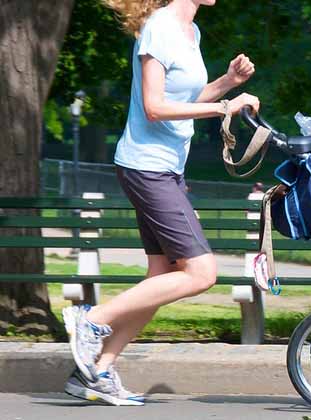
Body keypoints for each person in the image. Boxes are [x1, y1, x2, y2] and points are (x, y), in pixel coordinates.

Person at [61, 0, 259, 406]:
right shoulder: (160, 27)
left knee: (160, 277)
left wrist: (226, 83)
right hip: (146, 167)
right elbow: (154, 107)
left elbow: (183, 99)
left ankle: (96, 372)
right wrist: (224, 108)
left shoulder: (191, 31)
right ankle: (91, 320)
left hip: (166, 170)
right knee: (202, 273)